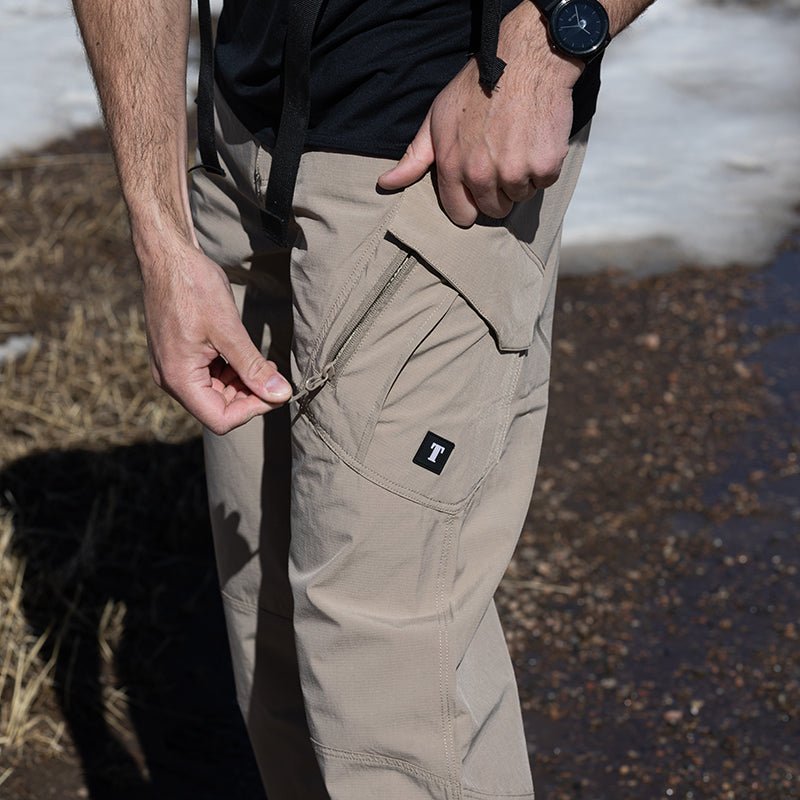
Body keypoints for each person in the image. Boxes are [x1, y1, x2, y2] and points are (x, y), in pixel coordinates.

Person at [72, 0, 654, 797]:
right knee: (268, 633)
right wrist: (160, 230)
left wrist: (546, 46)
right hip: (239, 141)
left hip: (429, 150)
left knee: (383, 681)